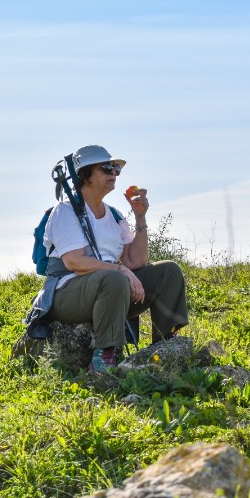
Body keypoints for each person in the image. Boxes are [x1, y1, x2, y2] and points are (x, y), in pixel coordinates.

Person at [39, 145, 188, 372]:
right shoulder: (65, 211)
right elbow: (74, 262)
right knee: (113, 278)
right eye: (106, 167)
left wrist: (140, 217)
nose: (113, 173)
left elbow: (135, 261)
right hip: (66, 292)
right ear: (85, 174)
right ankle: (105, 354)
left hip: (109, 287)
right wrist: (120, 271)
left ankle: (164, 345)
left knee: (169, 271)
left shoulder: (115, 215)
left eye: (115, 168)